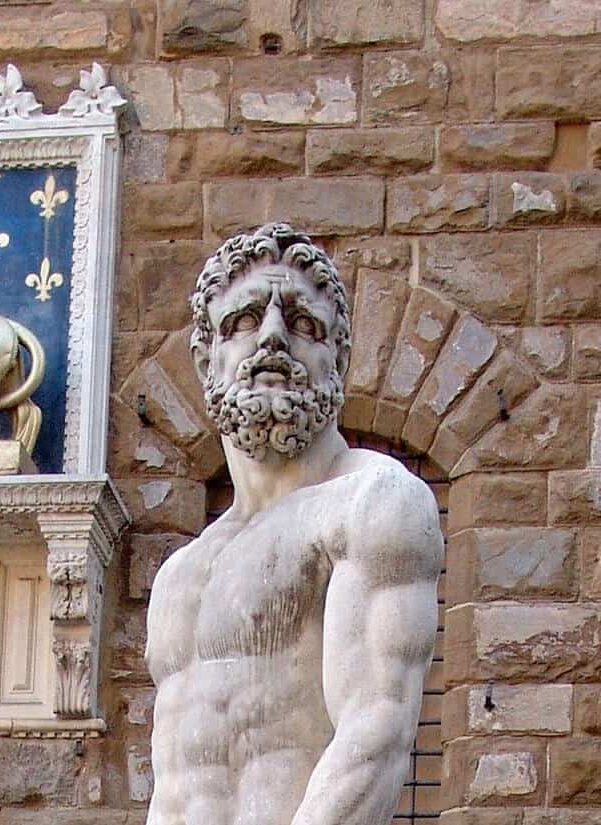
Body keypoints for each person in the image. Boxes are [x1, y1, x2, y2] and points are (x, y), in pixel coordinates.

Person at [144, 223, 443, 825]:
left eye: (305, 324)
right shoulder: (179, 576)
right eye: (246, 320)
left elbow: (374, 736)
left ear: (340, 359)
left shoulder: (370, 501)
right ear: (207, 359)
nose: (274, 336)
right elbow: (171, 790)